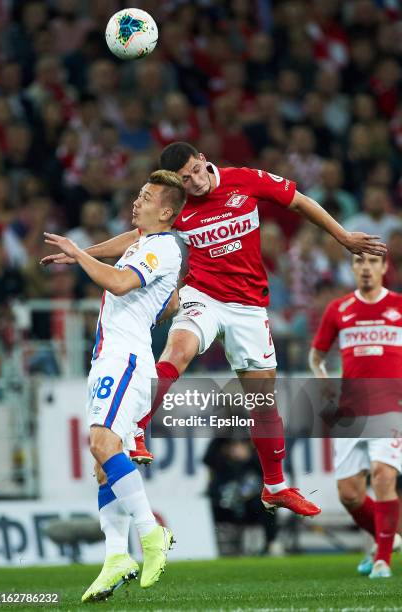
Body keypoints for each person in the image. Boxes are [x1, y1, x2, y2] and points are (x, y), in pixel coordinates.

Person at [42, 142, 386, 518]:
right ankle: (134, 429)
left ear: (204, 161)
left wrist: (342, 236)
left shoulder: (246, 180)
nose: (193, 182)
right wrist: (82, 253)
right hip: (202, 296)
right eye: (184, 178)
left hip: (249, 306)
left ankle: (274, 487)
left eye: (194, 171)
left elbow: (300, 201)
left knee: (262, 399)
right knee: (178, 350)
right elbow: (137, 236)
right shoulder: (180, 206)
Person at [42, 170, 185, 601]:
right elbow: (128, 244)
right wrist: (81, 252)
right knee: (104, 465)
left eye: (145, 197)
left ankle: (151, 533)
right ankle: (115, 557)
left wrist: (77, 254)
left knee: (101, 441)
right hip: (112, 357)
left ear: (166, 211)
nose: (135, 202)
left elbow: (120, 282)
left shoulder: (163, 246)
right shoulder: (147, 241)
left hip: (125, 361)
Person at [309, 252, 402, 578]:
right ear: (352, 268)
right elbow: (316, 356)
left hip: (392, 409)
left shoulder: (399, 307)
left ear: (384, 267)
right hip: (351, 413)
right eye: (359, 261)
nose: (366, 268)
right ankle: (387, 538)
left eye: (373, 262)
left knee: (384, 475)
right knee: (349, 495)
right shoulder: (339, 309)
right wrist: (324, 386)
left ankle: (382, 562)